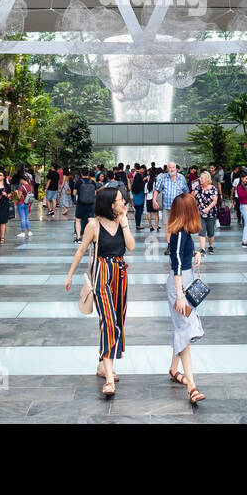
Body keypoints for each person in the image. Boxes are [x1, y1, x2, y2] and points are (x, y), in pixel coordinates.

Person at [64, 187, 134, 397]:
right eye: (120, 200)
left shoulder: (122, 221)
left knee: (117, 320)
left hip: (120, 273)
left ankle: (103, 366)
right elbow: (81, 250)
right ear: (109, 203)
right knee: (109, 321)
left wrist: (125, 223)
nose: (124, 202)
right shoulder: (93, 225)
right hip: (102, 273)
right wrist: (69, 275)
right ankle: (110, 379)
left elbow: (130, 246)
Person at [166, 191, 206, 405]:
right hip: (179, 286)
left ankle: (174, 369)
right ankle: (192, 385)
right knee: (185, 329)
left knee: (183, 328)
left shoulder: (182, 232)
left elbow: (182, 257)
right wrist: (180, 295)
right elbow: (176, 265)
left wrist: (195, 253)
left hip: (184, 283)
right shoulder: (180, 233)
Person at [194, 169, 219, 255]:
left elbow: (215, 201)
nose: (200, 180)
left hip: (211, 213)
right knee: (202, 231)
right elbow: (191, 197)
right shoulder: (197, 188)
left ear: (207, 179)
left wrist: (208, 208)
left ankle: (210, 246)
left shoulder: (213, 188)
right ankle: (203, 249)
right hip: (200, 213)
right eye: (200, 178)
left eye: (202, 178)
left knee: (211, 232)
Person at [73, 168, 97, 243]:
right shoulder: (93, 182)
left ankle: (78, 238)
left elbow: (74, 193)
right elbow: (95, 194)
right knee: (91, 220)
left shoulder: (78, 182)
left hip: (80, 204)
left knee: (78, 220)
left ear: (81, 174)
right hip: (91, 204)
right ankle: (92, 237)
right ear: (88, 174)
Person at [0, 171, 13, 245]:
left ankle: (3, 237)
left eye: (1, 175)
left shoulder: (7, 186)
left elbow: (10, 196)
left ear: (4, 177)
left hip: (4, 204)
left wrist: (6, 195)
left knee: (3, 221)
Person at [15, 172, 33, 240]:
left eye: (20, 180)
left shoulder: (21, 187)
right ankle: (29, 231)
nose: (20, 181)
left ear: (22, 180)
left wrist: (16, 192)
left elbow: (19, 197)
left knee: (22, 218)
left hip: (21, 203)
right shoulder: (31, 186)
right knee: (26, 218)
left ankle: (22, 232)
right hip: (27, 203)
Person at [130, 164, 146, 230]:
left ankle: (138, 224)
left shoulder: (137, 175)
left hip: (137, 196)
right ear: (142, 169)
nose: (144, 171)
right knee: (139, 211)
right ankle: (138, 225)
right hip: (139, 196)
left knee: (138, 211)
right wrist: (143, 182)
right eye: (144, 170)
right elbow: (138, 185)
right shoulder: (138, 175)